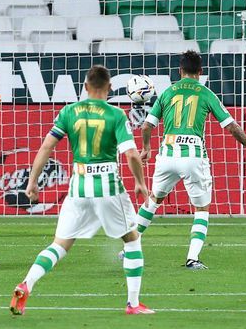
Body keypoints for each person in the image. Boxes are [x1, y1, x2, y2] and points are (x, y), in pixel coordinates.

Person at [10, 65, 155, 316]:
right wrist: (141, 182)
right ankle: (133, 304)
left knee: (60, 244)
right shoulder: (116, 115)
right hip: (108, 186)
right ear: (109, 88)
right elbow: (131, 153)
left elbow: (46, 147)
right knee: (132, 239)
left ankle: (27, 283)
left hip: (78, 187)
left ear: (85, 87)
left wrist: (32, 181)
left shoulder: (69, 111)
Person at [135, 50, 246, 270]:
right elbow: (231, 126)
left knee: (153, 199)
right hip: (193, 156)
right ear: (201, 72)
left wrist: (146, 148)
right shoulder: (206, 93)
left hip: (167, 154)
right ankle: (192, 258)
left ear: (180, 70)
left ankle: (129, 245)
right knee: (201, 209)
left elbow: (146, 126)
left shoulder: (168, 92)